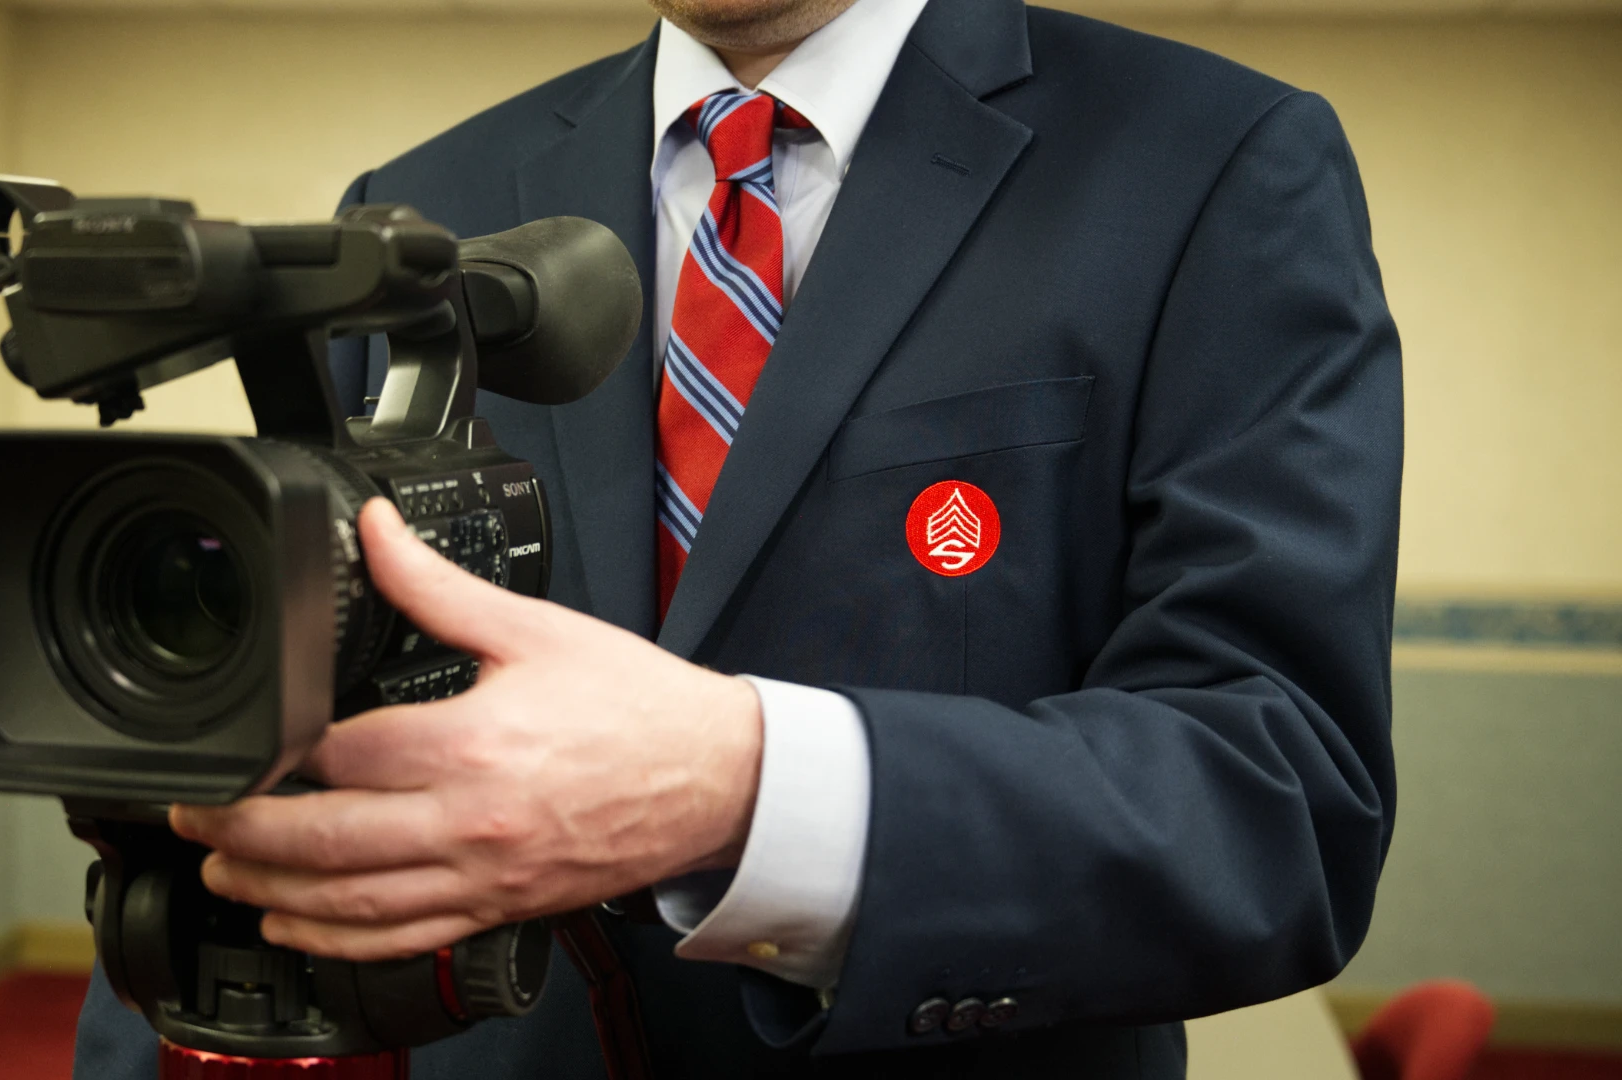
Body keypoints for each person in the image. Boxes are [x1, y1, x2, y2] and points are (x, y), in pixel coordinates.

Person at [74, 0, 1403, 1076]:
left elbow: (1279, 804)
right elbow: (277, 699)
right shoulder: (426, 200)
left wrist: (743, 788)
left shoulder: (1212, 164)